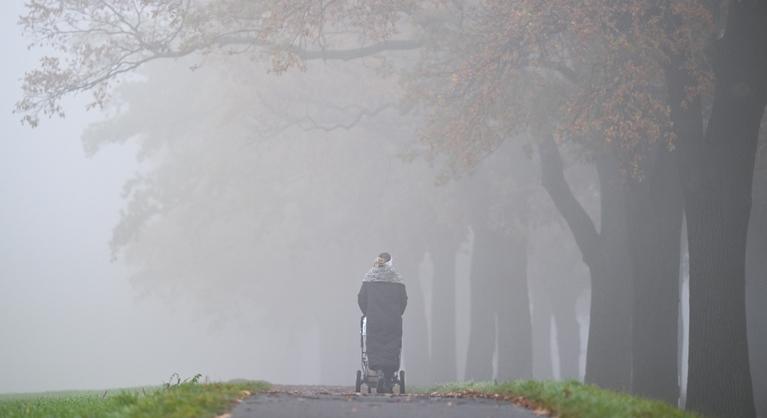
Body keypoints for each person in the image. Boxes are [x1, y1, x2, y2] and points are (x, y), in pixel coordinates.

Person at [358, 252, 408, 393]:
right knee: (392, 346)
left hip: (374, 320)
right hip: (393, 321)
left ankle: (378, 371)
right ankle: (387, 377)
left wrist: (368, 312)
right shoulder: (397, 279)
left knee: (375, 345)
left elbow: (361, 298)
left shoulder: (369, 278)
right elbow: (403, 300)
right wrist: (398, 313)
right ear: (391, 262)